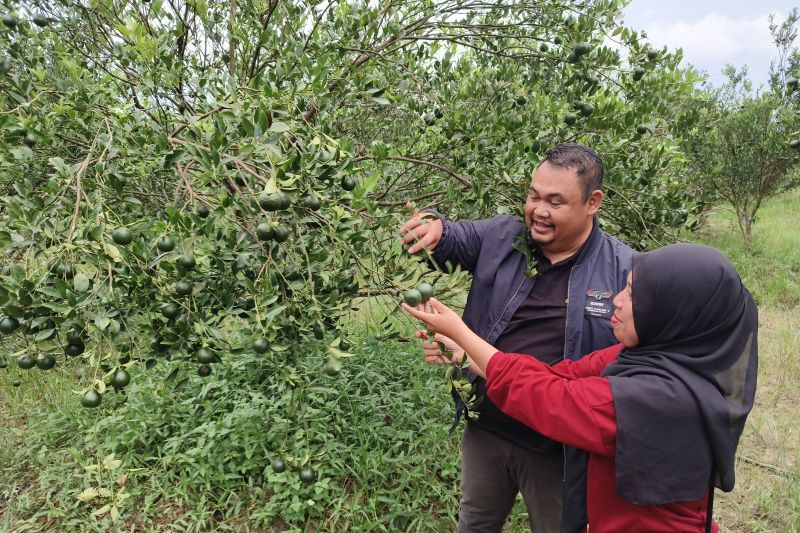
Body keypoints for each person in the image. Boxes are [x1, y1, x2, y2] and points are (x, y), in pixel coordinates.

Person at [403, 243, 759, 533]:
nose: (616, 300)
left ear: (673, 312)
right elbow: (559, 375)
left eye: (633, 294)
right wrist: (466, 353)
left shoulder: (659, 400)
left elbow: (552, 399)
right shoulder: (647, 356)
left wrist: (462, 332)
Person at [399, 143, 634, 533]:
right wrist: (432, 224)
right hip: (486, 427)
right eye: (533, 196)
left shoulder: (622, 270)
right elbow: (452, 237)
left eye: (555, 202)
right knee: (475, 523)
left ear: (593, 202)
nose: (538, 211)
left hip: (557, 447)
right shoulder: (501, 237)